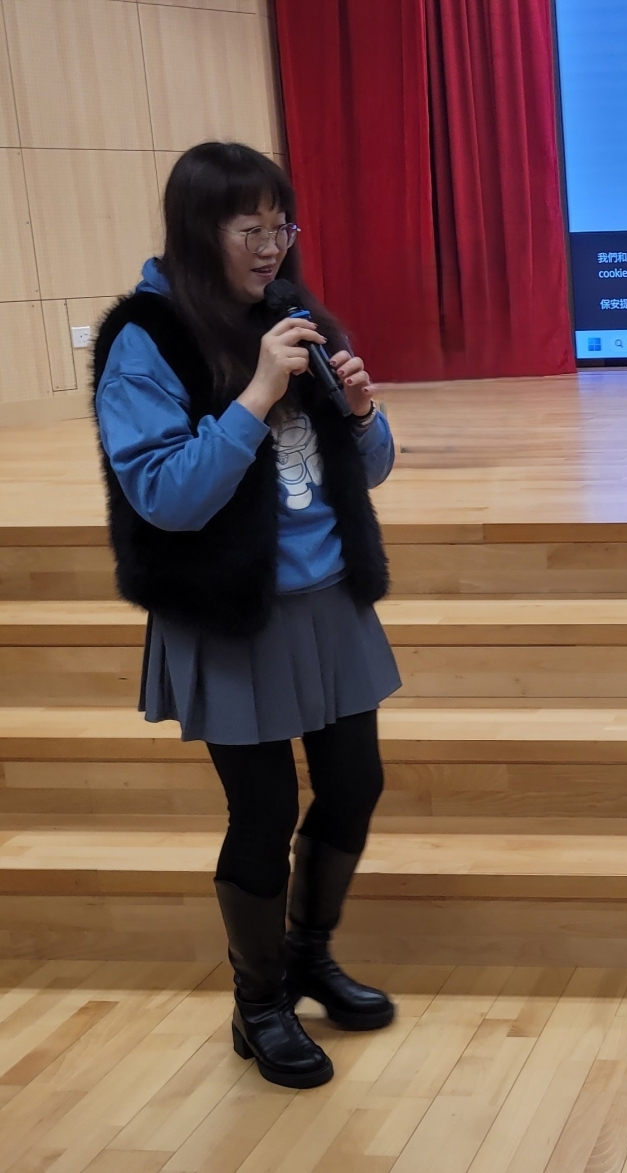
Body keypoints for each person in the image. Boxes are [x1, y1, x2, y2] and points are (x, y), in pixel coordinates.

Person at [93, 141, 401, 1089]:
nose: (272, 247)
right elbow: (164, 496)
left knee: (354, 785)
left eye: (281, 226)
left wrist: (362, 415)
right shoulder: (146, 339)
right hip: (231, 614)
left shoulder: (291, 314)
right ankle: (259, 1002)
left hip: (327, 599)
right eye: (250, 229)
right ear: (200, 230)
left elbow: (365, 469)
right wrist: (257, 394)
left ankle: (307, 956)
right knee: (263, 812)